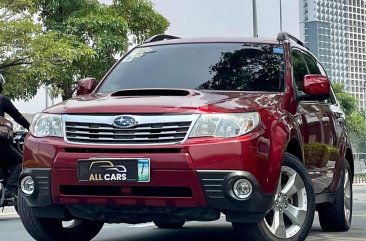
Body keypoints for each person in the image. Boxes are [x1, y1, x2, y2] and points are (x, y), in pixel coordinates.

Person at [0, 74, 30, 198]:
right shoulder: (2, 99)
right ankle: (9, 188)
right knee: (22, 161)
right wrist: (31, 128)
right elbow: (18, 116)